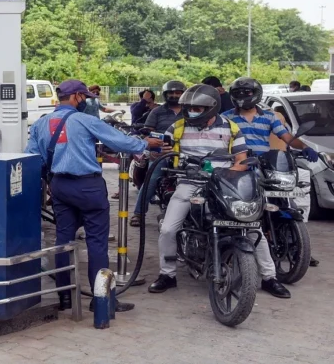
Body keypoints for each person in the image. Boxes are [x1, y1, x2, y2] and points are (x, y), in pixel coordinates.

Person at [26, 79, 164, 313]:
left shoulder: (41, 123)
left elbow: (32, 157)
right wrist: (145, 143)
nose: (86, 101)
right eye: (85, 97)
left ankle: (65, 298)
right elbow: (119, 141)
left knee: (63, 242)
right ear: (76, 97)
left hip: (58, 186)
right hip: (88, 187)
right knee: (97, 244)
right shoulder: (85, 120)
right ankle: (102, 301)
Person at [148, 84, 250, 294]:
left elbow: (243, 160)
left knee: (251, 225)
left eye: (197, 108)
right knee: (168, 230)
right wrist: (158, 150)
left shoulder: (231, 128)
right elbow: (157, 152)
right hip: (188, 184)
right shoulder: (177, 127)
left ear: (211, 108)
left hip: (223, 186)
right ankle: (167, 274)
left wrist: (228, 174)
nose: (190, 112)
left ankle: (268, 275)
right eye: (188, 107)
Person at [224, 77, 320, 275]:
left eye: (247, 93)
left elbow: (287, 138)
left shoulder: (269, 117)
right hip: (239, 167)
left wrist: (306, 148)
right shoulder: (225, 118)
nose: (243, 97)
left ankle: (297, 247)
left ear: (256, 94)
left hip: (266, 167)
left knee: (287, 201)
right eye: (239, 94)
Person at [130, 80, 186, 227]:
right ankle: (138, 213)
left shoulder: (190, 111)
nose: (174, 95)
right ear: (165, 95)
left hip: (185, 153)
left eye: (178, 93)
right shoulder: (157, 112)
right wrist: (154, 151)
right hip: (161, 153)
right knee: (151, 178)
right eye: (171, 93)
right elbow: (148, 133)